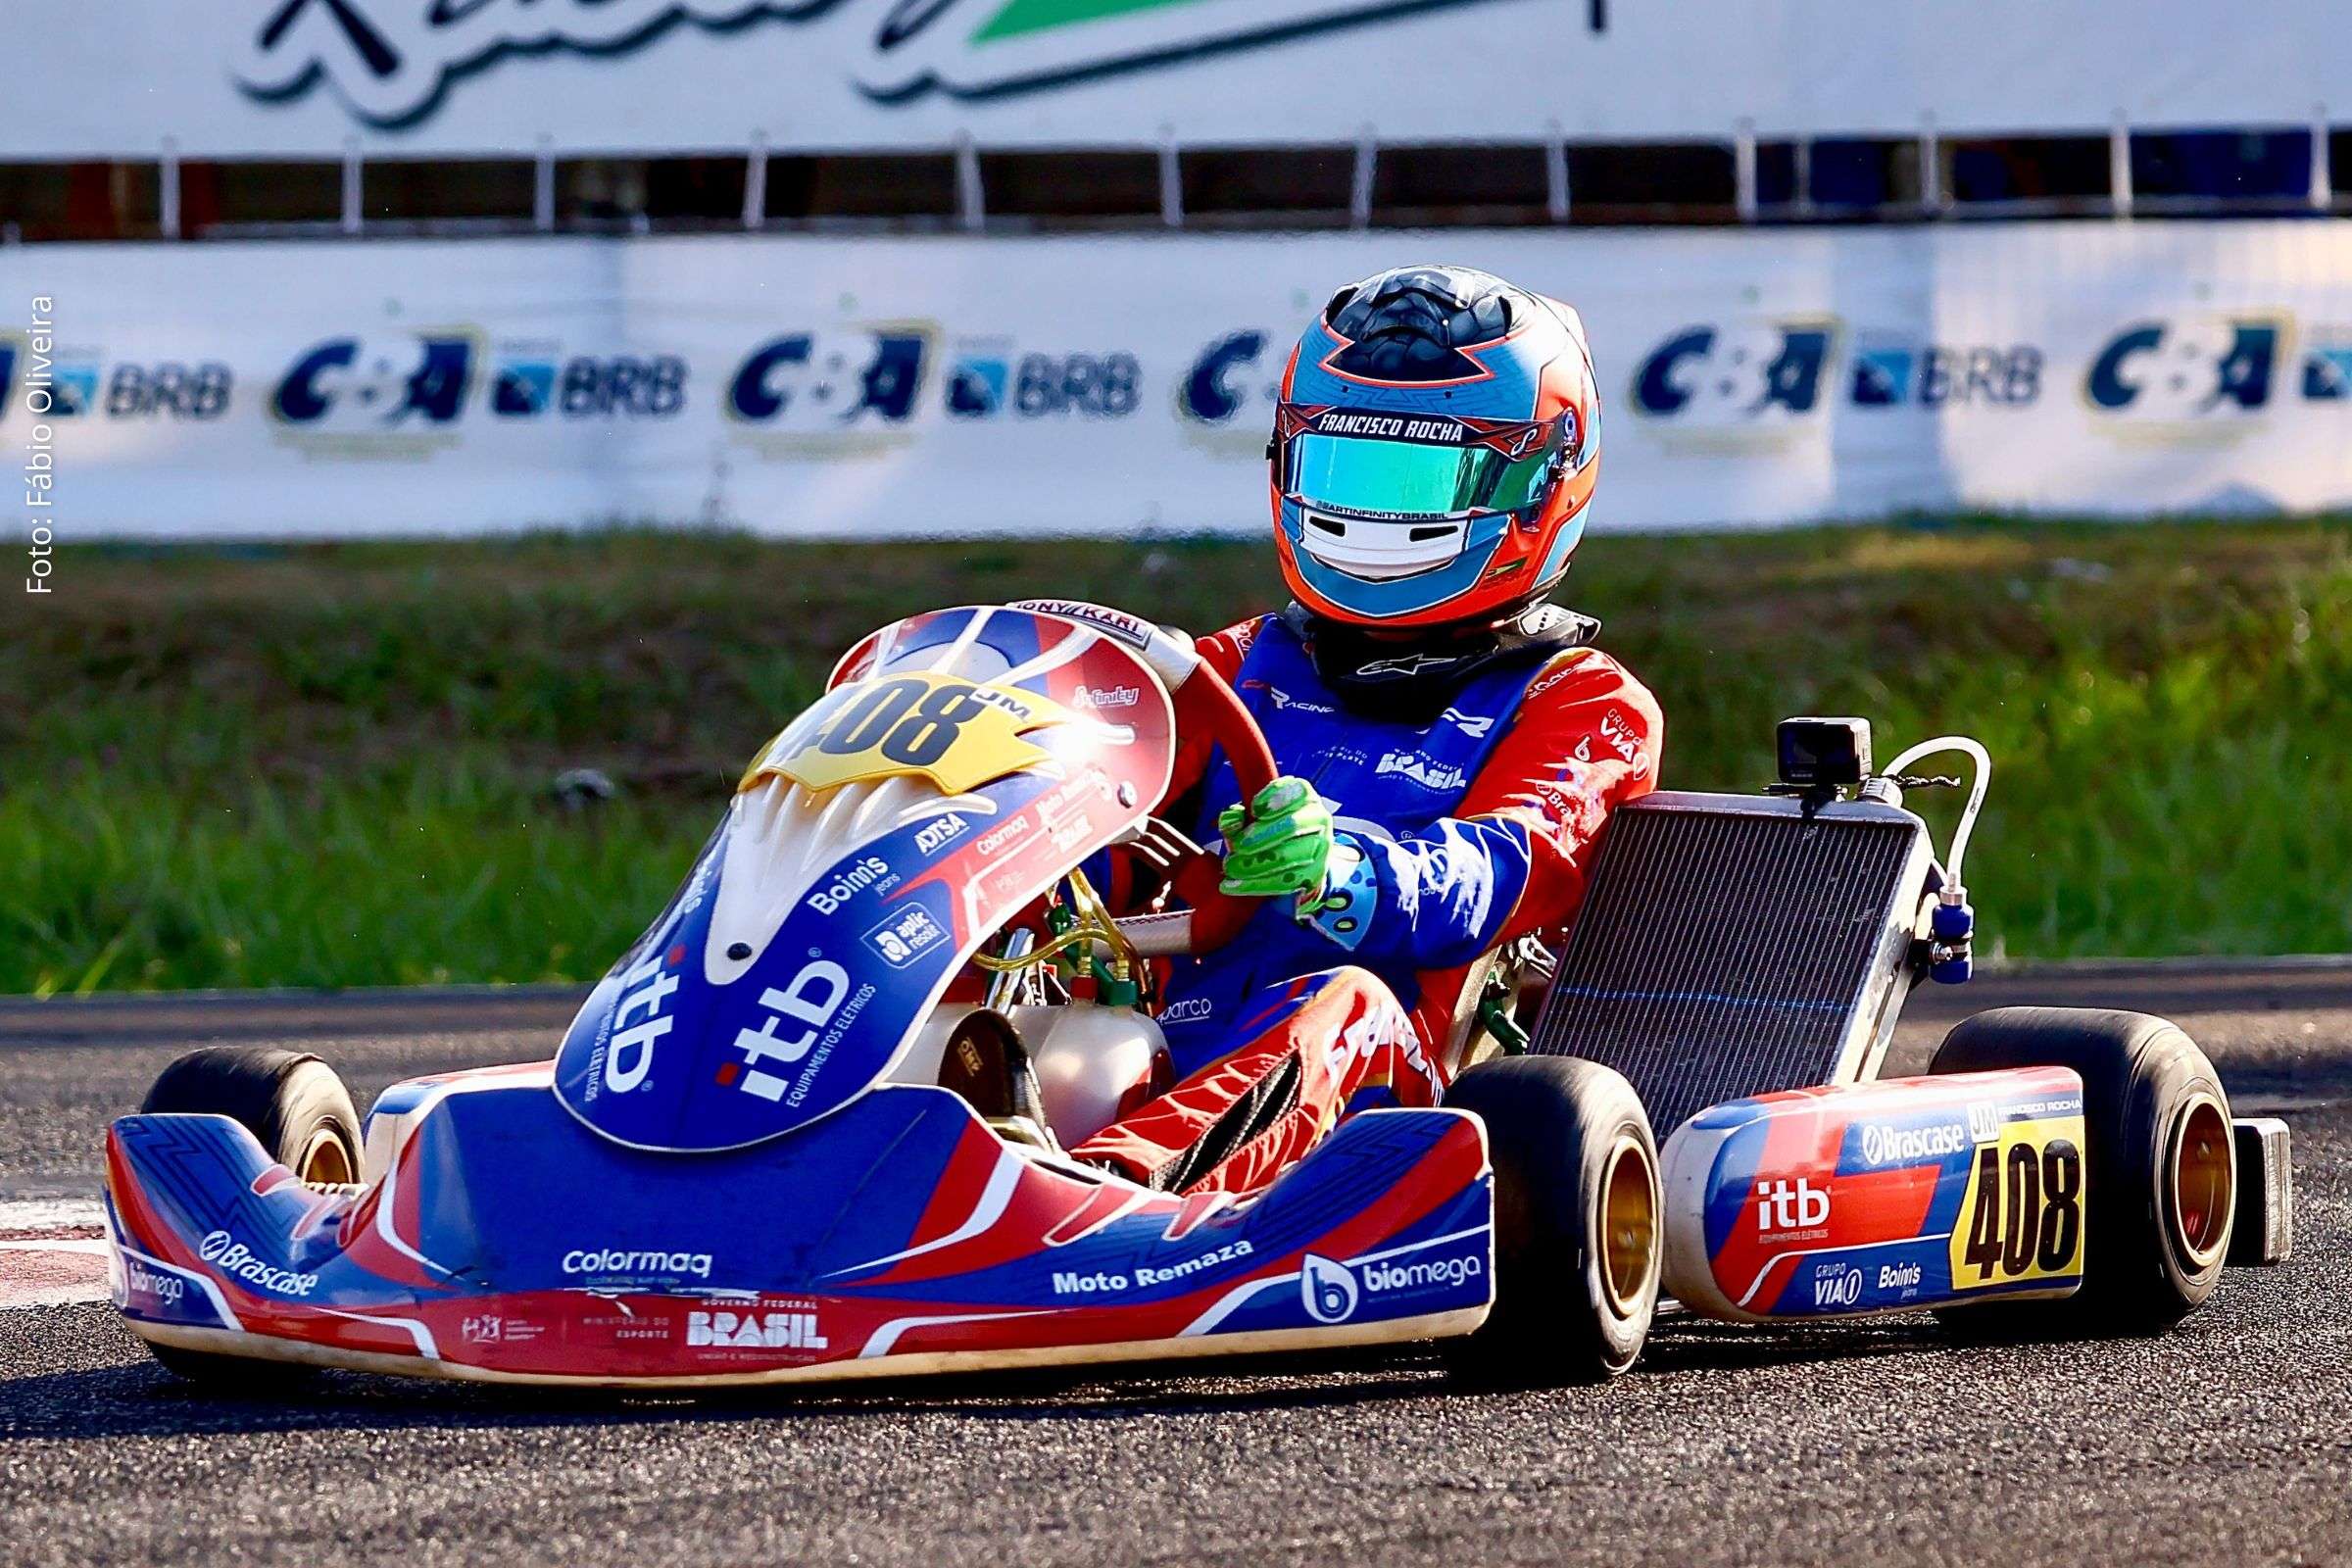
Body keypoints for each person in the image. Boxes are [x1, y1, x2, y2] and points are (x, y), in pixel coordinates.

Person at [1068, 264, 1663, 1196]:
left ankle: (1109, 1198)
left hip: (1395, 1085)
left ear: (1539, 479)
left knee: (1341, 1002)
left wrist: (1343, 869)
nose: (1376, 512)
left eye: (1421, 479)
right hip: (1146, 1040)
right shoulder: (1226, 666)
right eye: (1345, 469)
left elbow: (1497, 871)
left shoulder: (1581, 703)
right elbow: (1095, 811)